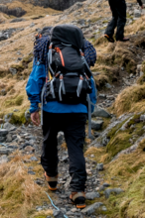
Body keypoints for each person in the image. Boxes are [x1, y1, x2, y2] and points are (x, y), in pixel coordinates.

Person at [27, 25, 98, 210]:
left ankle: (51, 178)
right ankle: (78, 191)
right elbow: (89, 78)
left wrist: (34, 106)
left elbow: (37, 77)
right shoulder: (81, 50)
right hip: (79, 107)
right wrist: (91, 104)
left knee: (49, 141)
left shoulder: (47, 50)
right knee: (76, 148)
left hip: (52, 107)